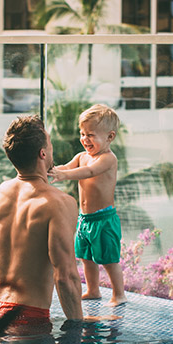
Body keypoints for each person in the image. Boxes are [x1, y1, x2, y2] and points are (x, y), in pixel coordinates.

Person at [0, 115, 83, 327]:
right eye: (49, 144)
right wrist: (78, 330)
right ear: (42, 153)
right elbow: (65, 276)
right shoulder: (59, 203)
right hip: (26, 319)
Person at [49, 104, 127, 307]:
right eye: (82, 134)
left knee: (109, 259)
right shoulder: (81, 156)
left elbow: (89, 172)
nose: (85, 139)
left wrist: (64, 175)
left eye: (91, 135)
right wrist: (52, 170)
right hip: (85, 218)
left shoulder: (108, 159)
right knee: (87, 257)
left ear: (110, 137)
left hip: (104, 219)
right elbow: (67, 167)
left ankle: (119, 294)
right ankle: (93, 290)